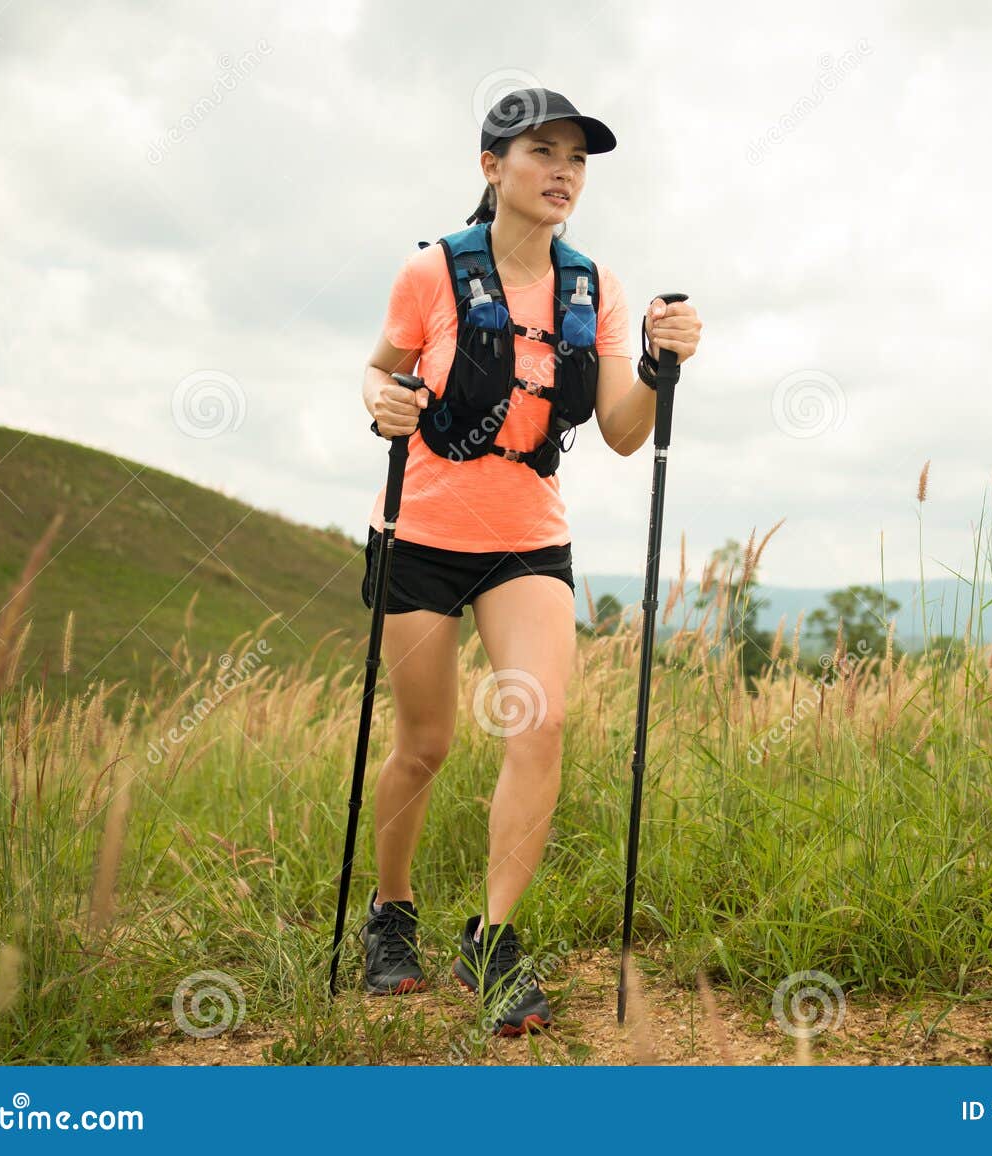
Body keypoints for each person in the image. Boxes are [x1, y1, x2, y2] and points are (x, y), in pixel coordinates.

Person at [356, 88, 702, 1035]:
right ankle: (392, 916)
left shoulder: (597, 289)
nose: (562, 172)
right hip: (423, 533)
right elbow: (380, 371)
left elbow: (626, 434)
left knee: (539, 722)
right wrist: (382, 402)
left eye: (577, 160)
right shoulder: (430, 273)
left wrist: (666, 368)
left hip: (527, 541)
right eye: (541, 152)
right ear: (490, 167)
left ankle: (492, 937)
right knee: (425, 745)